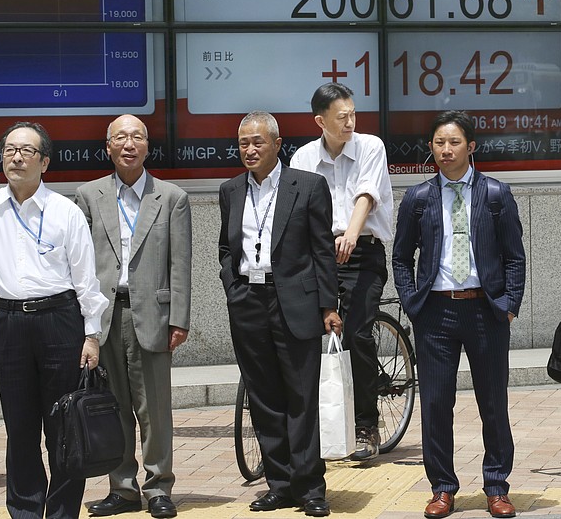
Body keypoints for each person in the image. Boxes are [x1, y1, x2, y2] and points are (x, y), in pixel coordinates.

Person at [392, 111, 526, 519]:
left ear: (471, 147)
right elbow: (400, 258)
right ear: (430, 148)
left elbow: (514, 257)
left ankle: (497, 487)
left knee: (493, 403)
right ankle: (442, 488)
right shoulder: (418, 198)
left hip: (486, 310)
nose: (445, 150)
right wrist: (413, 304)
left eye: (453, 143)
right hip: (435, 312)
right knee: (435, 404)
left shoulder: (496, 194)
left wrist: (510, 305)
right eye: (438, 143)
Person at [219, 111, 341, 517]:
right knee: (263, 397)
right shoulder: (230, 190)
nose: (249, 150)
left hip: (296, 301)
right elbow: (226, 248)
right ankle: (279, 484)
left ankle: (309, 487)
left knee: (301, 397)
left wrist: (329, 305)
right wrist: (233, 288)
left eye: (257, 142)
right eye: (243, 144)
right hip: (248, 302)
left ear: (276, 143)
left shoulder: (307, 186)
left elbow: (322, 250)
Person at [0, 122, 109, 518]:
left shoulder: (65, 212)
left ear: (45, 162)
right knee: (19, 428)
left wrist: (91, 336)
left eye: (26, 150)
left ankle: (60, 512)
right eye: (9, 150)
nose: (16, 156)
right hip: (9, 323)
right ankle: (23, 510)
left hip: (60, 321)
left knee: (63, 426)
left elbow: (86, 280)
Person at [75, 114, 192, 518]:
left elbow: (181, 264)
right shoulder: (88, 196)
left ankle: (159, 487)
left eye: (137, 137)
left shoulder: (172, 197)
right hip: (105, 315)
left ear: (147, 146)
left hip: (153, 315)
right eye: (120, 138)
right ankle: (122, 488)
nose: (129, 144)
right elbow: (80, 263)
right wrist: (84, 322)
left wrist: (180, 318)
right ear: (107, 147)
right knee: (113, 406)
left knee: (154, 409)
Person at [290, 82, 393, 460]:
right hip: (317, 255)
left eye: (352, 114)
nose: (350, 122)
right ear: (320, 121)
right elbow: (297, 208)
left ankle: (366, 424)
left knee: (357, 335)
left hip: (362, 250)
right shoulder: (302, 157)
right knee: (301, 334)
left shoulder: (371, 146)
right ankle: (311, 426)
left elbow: (367, 193)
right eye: (341, 117)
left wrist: (350, 232)